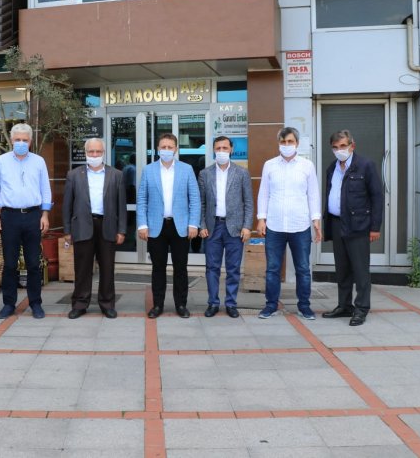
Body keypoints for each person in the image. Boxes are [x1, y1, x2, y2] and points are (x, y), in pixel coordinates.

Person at [256, 127, 322, 320]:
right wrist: (261, 218)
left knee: (303, 269)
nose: (286, 145)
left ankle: (304, 306)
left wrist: (316, 219)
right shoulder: (269, 165)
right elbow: (264, 193)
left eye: (290, 142)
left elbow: (313, 194)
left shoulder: (307, 166)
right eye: (283, 142)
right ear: (279, 143)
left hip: (299, 225)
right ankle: (270, 305)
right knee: (272, 269)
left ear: (297, 143)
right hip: (274, 225)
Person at [0, 123, 51, 320]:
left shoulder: (39, 161)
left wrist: (45, 215)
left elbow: (45, 189)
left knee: (33, 263)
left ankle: (36, 303)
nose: (21, 143)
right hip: (9, 216)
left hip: (33, 216)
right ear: (11, 140)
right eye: (18, 140)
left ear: (30, 142)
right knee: (9, 263)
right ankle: (8, 304)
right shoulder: (1, 162)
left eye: (25, 140)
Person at [322, 130, 383, 326]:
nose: (339, 150)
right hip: (337, 223)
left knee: (360, 269)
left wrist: (375, 227)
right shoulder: (331, 168)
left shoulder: (365, 165)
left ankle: (361, 308)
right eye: (335, 147)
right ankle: (344, 305)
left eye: (343, 146)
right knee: (342, 269)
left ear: (352, 146)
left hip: (358, 225)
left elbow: (377, 197)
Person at [137, 133, 201, 318]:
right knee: (158, 268)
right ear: (158, 149)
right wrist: (142, 224)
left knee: (181, 268)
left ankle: (181, 305)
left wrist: (193, 223)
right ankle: (158, 305)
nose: (166, 150)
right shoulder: (148, 170)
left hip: (180, 226)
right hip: (156, 227)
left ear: (176, 149)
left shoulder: (186, 169)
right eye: (163, 147)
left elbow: (194, 198)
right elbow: (142, 199)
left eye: (170, 147)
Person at [63, 138, 127, 319]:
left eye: (98, 151)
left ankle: (107, 304)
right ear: (86, 153)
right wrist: (67, 230)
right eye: (91, 151)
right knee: (82, 268)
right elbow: (67, 205)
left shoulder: (116, 175)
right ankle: (80, 303)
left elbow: (121, 205)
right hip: (82, 225)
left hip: (107, 226)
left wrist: (122, 230)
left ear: (104, 153)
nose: (95, 155)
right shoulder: (74, 175)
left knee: (107, 267)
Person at [198, 136, 253, 318]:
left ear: (231, 149)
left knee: (233, 268)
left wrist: (247, 226)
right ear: (213, 150)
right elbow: (201, 203)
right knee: (211, 268)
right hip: (212, 227)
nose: (221, 151)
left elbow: (248, 202)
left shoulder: (242, 173)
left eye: (224, 148)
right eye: (218, 148)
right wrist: (202, 225)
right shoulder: (205, 174)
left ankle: (231, 303)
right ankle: (213, 303)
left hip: (234, 228)